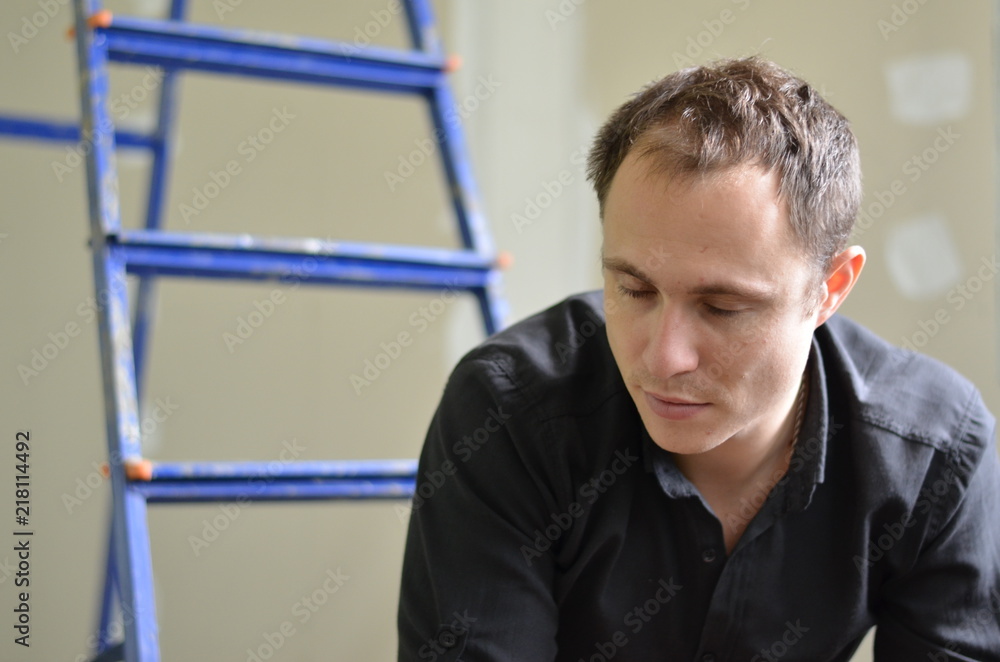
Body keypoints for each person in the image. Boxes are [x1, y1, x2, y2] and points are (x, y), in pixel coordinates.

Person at [397, 57, 1000, 661]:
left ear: (829, 289)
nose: (665, 357)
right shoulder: (508, 411)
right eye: (634, 290)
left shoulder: (935, 453)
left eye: (722, 307)